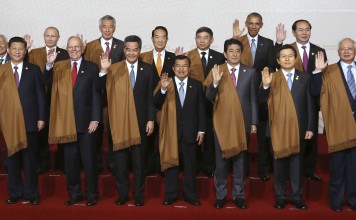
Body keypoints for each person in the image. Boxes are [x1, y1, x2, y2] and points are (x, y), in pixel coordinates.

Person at [45, 36, 101, 206]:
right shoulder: (59, 66)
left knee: (89, 162)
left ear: (83, 48)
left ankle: (92, 194)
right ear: (66, 49)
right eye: (71, 47)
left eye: (77, 47)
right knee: (70, 163)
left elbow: (96, 94)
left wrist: (96, 118)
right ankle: (75, 193)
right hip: (66, 123)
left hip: (87, 124)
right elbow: (47, 85)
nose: (74, 50)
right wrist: (48, 66)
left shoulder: (91, 67)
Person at [100, 35, 155, 206]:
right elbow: (102, 93)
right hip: (119, 124)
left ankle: (138, 195)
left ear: (139, 50)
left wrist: (151, 120)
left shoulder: (147, 69)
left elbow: (150, 98)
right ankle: (123, 194)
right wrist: (103, 72)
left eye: (135, 49)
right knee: (120, 164)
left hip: (140, 123)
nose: (132, 53)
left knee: (139, 164)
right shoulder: (114, 68)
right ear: (124, 50)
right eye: (128, 49)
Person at [259, 44, 315, 210]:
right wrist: (266, 86)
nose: (287, 58)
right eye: (283, 56)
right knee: (279, 165)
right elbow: (261, 101)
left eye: (290, 55)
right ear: (278, 60)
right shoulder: (271, 77)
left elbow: (310, 105)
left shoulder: (305, 77)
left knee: (297, 165)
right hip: (277, 129)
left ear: (295, 58)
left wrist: (311, 127)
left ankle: (297, 197)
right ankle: (281, 197)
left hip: (299, 128)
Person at [205, 38, 258, 209]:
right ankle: (220, 196)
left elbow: (253, 100)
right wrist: (215, 82)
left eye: (237, 51)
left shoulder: (250, 72)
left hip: (242, 123)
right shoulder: (216, 70)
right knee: (220, 162)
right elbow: (208, 97)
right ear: (225, 53)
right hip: (221, 123)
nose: (234, 54)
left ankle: (239, 195)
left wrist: (254, 123)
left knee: (240, 162)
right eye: (231, 51)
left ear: (241, 53)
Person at [232, 12, 284, 180]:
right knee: (241, 134)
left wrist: (279, 43)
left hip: (262, 94)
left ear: (261, 25)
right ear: (246, 23)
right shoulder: (239, 41)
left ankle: (263, 169)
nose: (253, 26)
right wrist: (234, 38)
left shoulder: (268, 43)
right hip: (242, 95)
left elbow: (274, 65)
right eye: (251, 23)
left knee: (262, 136)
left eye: (257, 23)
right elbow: (232, 60)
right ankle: (242, 169)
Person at [277, 20, 327, 181]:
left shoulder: (319, 51)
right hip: (291, 100)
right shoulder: (287, 50)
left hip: (312, 99)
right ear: (294, 32)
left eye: (307, 29)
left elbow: (322, 78)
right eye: (300, 30)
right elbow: (276, 65)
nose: (304, 32)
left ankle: (309, 170)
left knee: (310, 135)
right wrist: (279, 43)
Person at [311, 38, 356, 212]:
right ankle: (336, 202)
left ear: (354, 51)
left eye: (350, 48)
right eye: (343, 49)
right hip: (338, 128)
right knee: (337, 169)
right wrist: (317, 72)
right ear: (338, 52)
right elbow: (315, 93)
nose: (346, 51)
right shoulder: (329, 72)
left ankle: (353, 201)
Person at [153, 55, 205, 206]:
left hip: (190, 132)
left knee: (190, 166)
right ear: (173, 68)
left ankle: (190, 195)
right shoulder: (166, 83)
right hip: (171, 132)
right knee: (171, 165)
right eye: (178, 66)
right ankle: (171, 195)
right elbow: (156, 103)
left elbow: (200, 109)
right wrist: (162, 89)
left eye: (184, 66)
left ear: (189, 68)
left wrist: (201, 130)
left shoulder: (196, 84)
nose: (181, 69)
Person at [0, 36, 46, 205]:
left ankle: (32, 193)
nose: (17, 51)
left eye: (21, 49)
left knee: (30, 160)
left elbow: (41, 95)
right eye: (14, 48)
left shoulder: (33, 70)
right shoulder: (2, 70)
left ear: (25, 51)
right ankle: (15, 192)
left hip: (30, 121)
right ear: (8, 50)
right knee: (12, 160)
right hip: (9, 123)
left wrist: (41, 117)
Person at [177, 26, 225, 177]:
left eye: (206, 38)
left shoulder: (219, 57)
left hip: (213, 104)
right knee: (192, 137)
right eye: (199, 37)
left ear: (212, 40)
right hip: (192, 105)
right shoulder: (187, 56)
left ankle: (209, 166)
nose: (202, 40)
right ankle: (193, 165)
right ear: (195, 39)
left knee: (210, 136)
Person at [84, 15, 126, 172]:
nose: (107, 29)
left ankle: (114, 164)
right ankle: (97, 164)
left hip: (115, 96)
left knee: (113, 130)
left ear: (114, 28)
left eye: (110, 26)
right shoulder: (90, 46)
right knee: (95, 131)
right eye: (104, 26)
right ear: (100, 28)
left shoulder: (122, 46)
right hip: (95, 95)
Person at [27, 26, 70, 174]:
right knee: (42, 133)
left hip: (61, 99)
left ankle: (62, 164)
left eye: (53, 36)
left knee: (62, 131)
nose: (50, 38)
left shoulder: (65, 53)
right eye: (48, 36)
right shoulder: (34, 53)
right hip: (40, 99)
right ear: (44, 37)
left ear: (58, 38)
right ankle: (42, 163)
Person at [140, 26, 175, 175]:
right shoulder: (142, 56)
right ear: (152, 39)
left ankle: (163, 166)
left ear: (167, 39)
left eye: (163, 37)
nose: (160, 40)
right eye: (157, 37)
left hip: (166, 105)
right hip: (146, 104)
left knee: (164, 137)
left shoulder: (174, 58)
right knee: (147, 138)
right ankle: (147, 167)